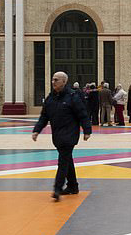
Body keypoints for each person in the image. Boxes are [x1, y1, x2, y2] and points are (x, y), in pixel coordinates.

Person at [32, 71, 92, 200]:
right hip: (57, 135)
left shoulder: (72, 96)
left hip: (70, 134)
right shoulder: (50, 98)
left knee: (63, 161)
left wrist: (87, 130)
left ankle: (57, 188)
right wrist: (37, 130)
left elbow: (82, 114)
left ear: (64, 82)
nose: (53, 82)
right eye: (53, 79)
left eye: (56, 80)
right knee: (67, 159)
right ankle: (73, 186)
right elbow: (44, 116)